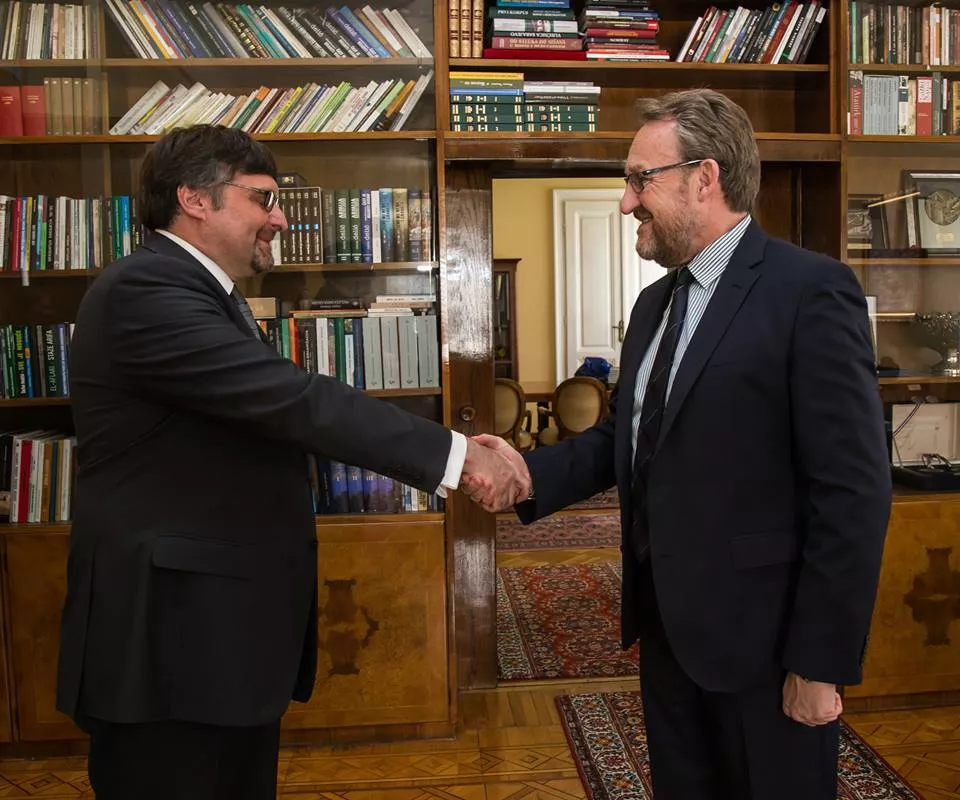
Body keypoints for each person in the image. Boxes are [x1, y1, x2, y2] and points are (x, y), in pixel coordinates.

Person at [56, 124, 528, 800]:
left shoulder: (197, 290)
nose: (279, 219)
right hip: (167, 643)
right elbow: (294, 401)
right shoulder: (146, 289)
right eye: (263, 199)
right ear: (195, 199)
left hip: (209, 637)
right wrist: (457, 455)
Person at [469, 88, 891, 799]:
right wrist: (528, 474)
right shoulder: (653, 304)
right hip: (667, 634)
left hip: (767, 646)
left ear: (705, 178)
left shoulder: (810, 291)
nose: (626, 202)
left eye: (640, 179)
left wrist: (820, 662)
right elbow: (626, 438)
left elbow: (853, 492)